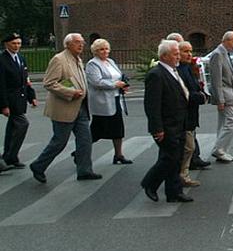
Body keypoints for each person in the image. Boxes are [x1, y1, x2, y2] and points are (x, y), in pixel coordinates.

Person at [30, 33, 101, 183]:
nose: (81, 45)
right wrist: (70, 92)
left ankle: (84, 170)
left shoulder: (77, 59)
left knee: (85, 140)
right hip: (65, 107)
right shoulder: (59, 59)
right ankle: (38, 165)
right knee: (59, 142)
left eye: (82, 42)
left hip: (80, 107)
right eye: (77, 42)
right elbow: (49, 82)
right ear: (67, 44)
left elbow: (72, 80)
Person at [141, 40, 192, 203]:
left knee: (176, 159)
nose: (178, 57)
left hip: (179, 123)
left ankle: (174, 192)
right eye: (175, 54)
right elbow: (152, 105)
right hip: (166, 125)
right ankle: (150, 183)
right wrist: (157, 128)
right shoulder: (156, 75)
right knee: (169, 158)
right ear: (164, 56)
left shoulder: (173, 71)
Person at [85, 38, 131, 164]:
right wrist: (115, 84)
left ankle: (118, 154)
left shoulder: (110, 61)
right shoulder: (92, 64)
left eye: (106, 49)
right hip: (102, 102)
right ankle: (80, 152)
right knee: (97, 130)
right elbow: (97, 82)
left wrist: (123, 85)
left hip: (115, 99)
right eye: (101, 49)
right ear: (95, 51)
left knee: (118, 128)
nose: (104, 51)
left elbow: (119, 76)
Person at [0, 32, 37, 170]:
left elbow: (26, 80)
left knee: (13, 128)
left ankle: (10, 157)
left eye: (19, 43)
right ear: (6, 44)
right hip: (9, 100)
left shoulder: (21, 58)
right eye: (13, 43)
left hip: (19, 98)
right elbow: (1, 84)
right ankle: (10, 156)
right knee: (22, 124)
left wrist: (31, 96)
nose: (16, 46)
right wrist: (4, 105)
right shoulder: (2, 60)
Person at [177, 41, 208, 187]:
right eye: (185, 51)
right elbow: (185, 94)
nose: (189, 54)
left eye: (190, 51)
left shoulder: (188, 68)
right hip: (184, 114)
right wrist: (201, 97)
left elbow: (194, 86)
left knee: (188, 146)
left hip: (191, 113)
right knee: (188, 147)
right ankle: (181, 175)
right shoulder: (180, 71)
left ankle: (183, 174)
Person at [209, 31, 233, 163]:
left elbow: (230, 77)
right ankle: (219, 149)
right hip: (224, 95)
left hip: (228, 93)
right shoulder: (218, 54)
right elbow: (216, 80)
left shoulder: (224, 53)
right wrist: (220, 99)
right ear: (226, 40)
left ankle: (222, 150)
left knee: (223, 123)